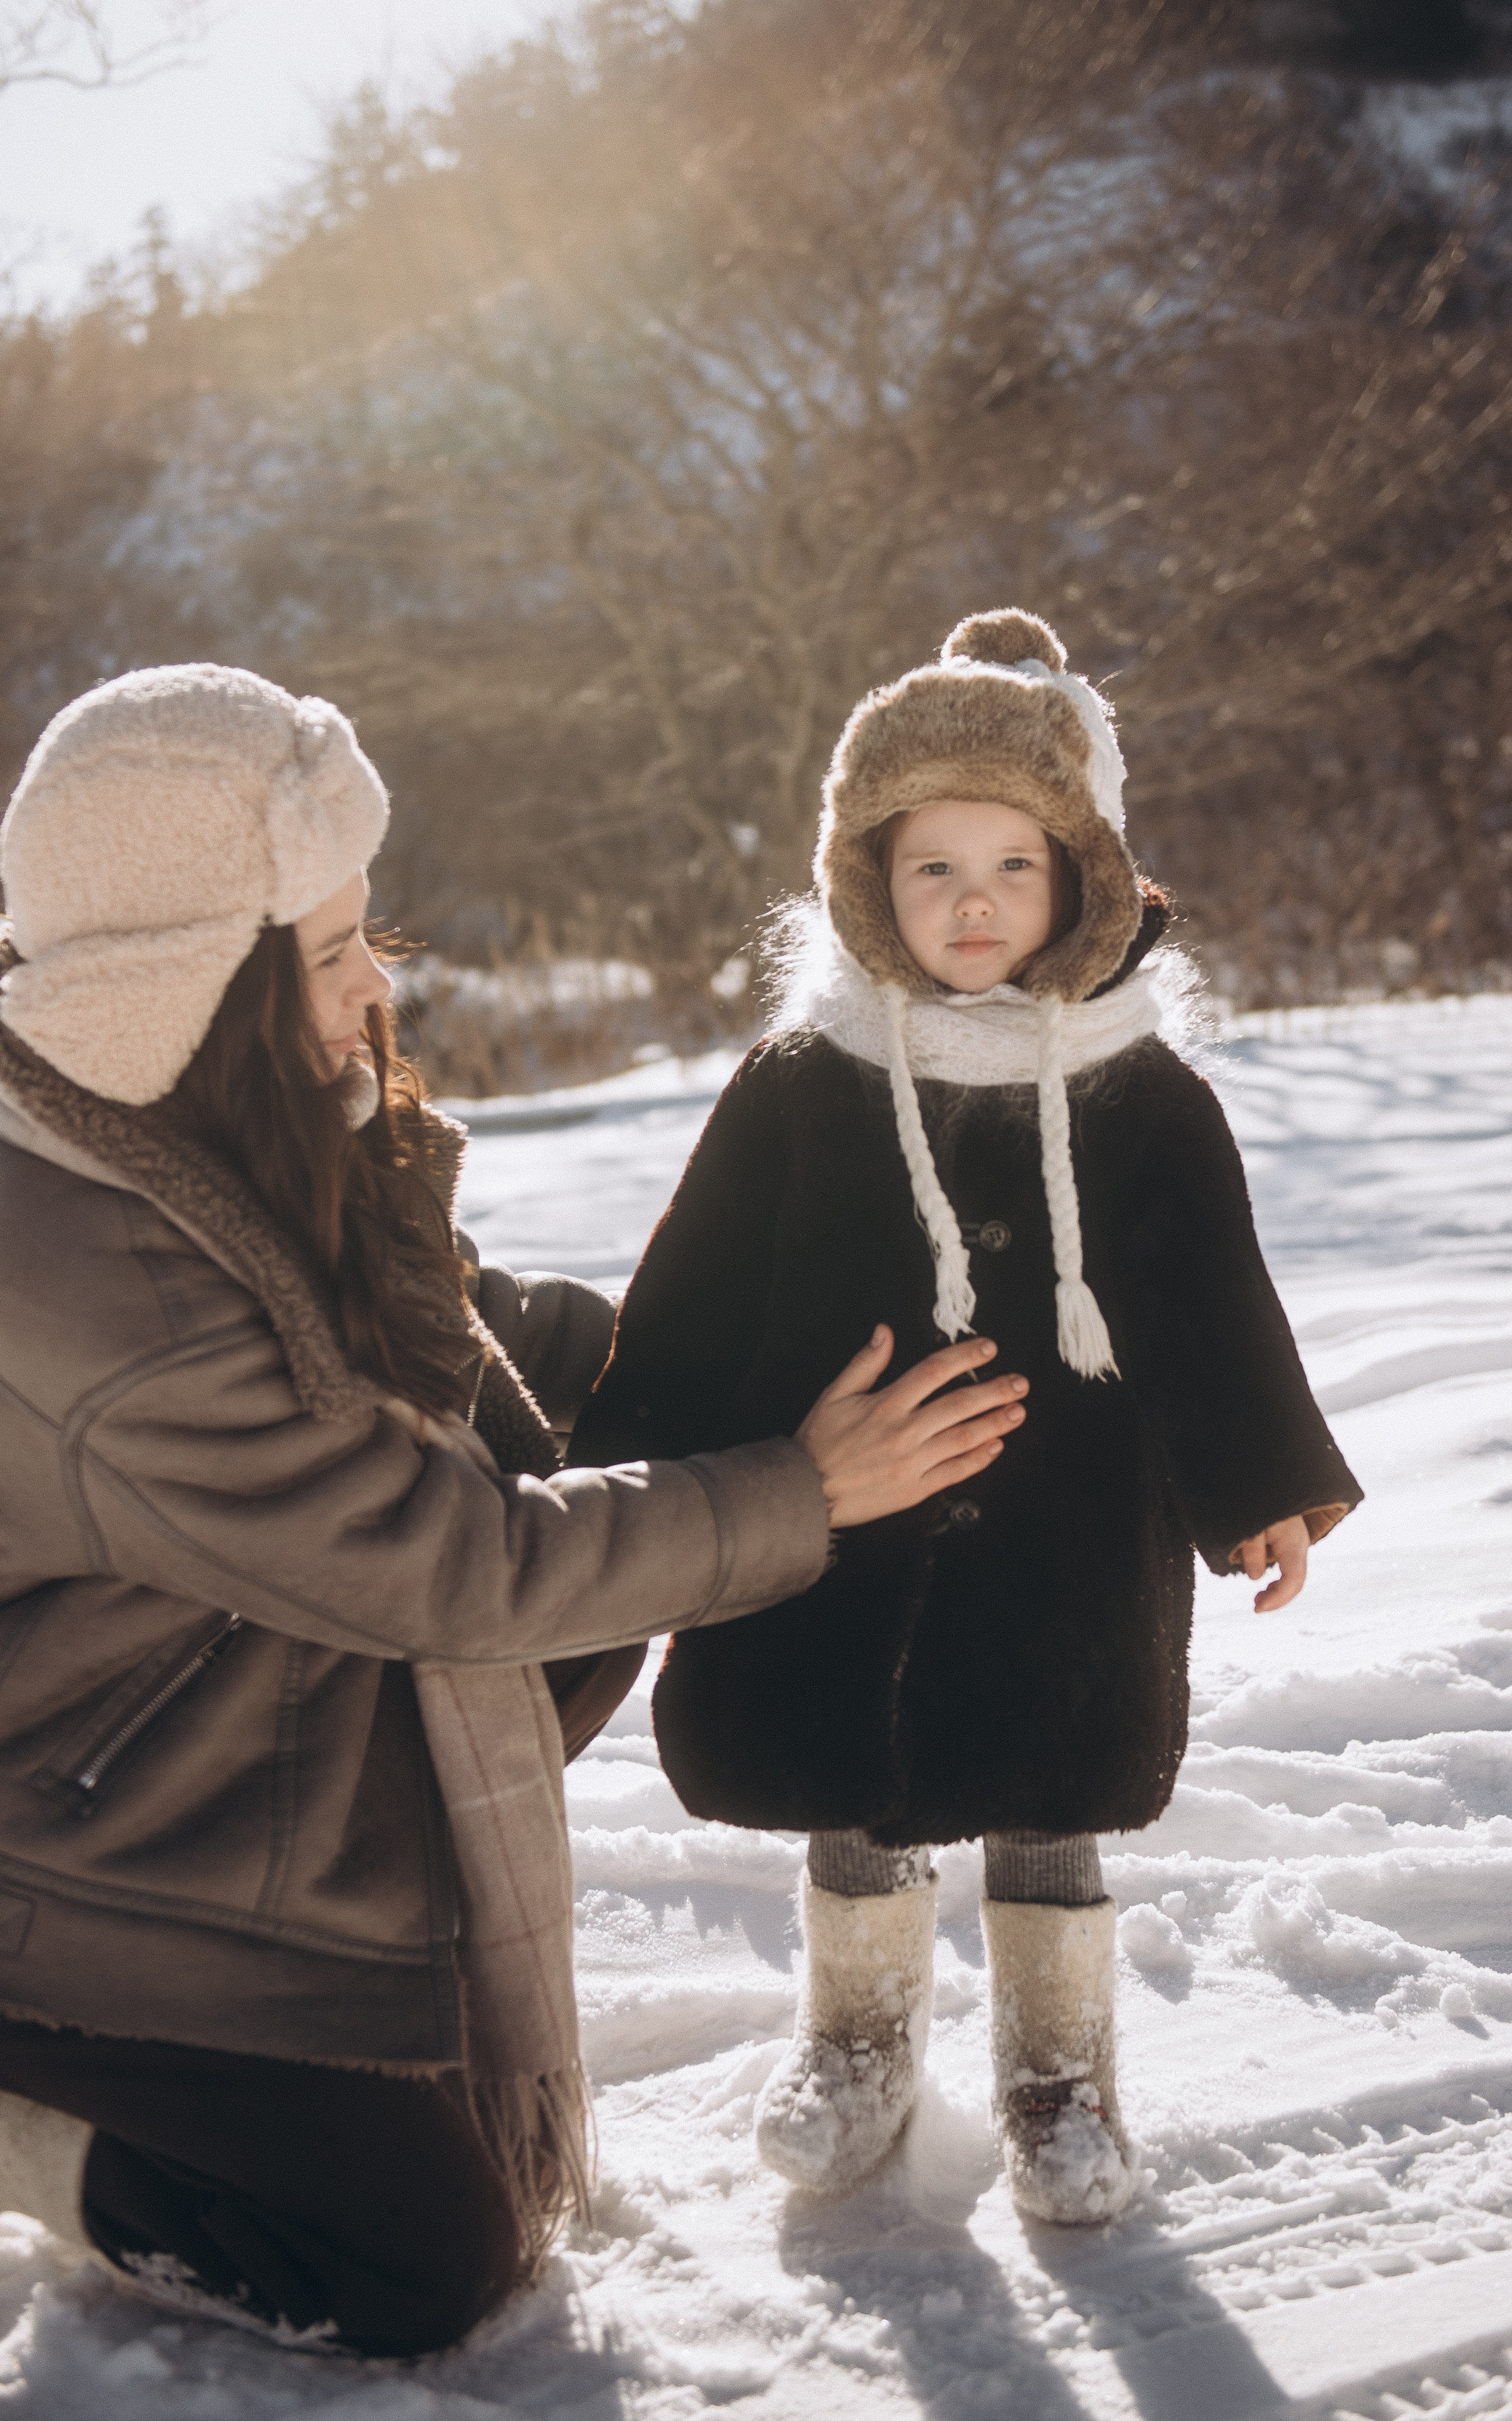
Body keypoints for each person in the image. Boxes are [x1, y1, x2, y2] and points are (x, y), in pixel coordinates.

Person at [0, 664, 1030, 2355]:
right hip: (42, 1854)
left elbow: (480, 1348)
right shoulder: (110, 1296)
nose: (378, 980)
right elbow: (458, 1570)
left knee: (613, 1504)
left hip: (208, 1738)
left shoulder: (208, 1123)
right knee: (421, 2263)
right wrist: (805, 1489)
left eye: (366, 929)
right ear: (189, 986)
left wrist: (750, 1353)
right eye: (328, 951)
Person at [571, 609, 1363, 2224]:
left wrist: (1261, 1484)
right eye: (931, 866)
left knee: (1051, 1780)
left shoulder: (1141, 1091)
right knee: (849, 1773)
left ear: (1083, 877)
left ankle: (1057, 2073)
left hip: (1073, 1519)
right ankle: (855, 2037)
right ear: (868, 879)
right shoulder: (805, 1079)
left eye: (1012, 863)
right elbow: (697, 1286)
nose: (973, 900)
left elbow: (1209, 1303)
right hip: (836, 1507)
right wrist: (626, 1468)